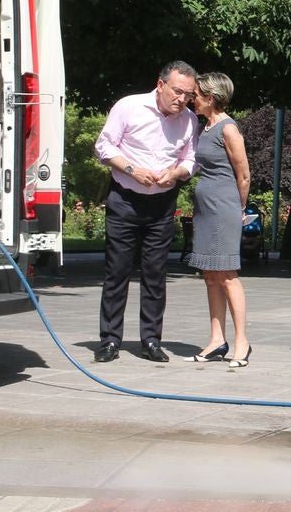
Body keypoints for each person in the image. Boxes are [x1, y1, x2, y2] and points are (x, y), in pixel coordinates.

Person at [93, 61, 198, 363]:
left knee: (155, 274)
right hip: (125, 198)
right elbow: (103, 146)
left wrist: (176, 173)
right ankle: (110, 340)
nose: (182, 99)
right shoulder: (129, 106)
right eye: (178, 92)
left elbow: (191, 159)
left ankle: (151, 340)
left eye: (188, 95)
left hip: (162, 203)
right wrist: (131, 169)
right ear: (161, 84)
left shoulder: (189, 120)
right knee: (117, 272)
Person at [186, 72, 254, 369]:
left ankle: (242, 341)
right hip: (205, 208)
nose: (192, 98)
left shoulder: (228, 128)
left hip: (223, 208)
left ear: (211, 98)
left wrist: (237, 209)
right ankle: (217, 339)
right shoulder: (205, 127)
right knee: (210, 274)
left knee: (227, 274)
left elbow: (244, 174)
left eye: (197, 94)